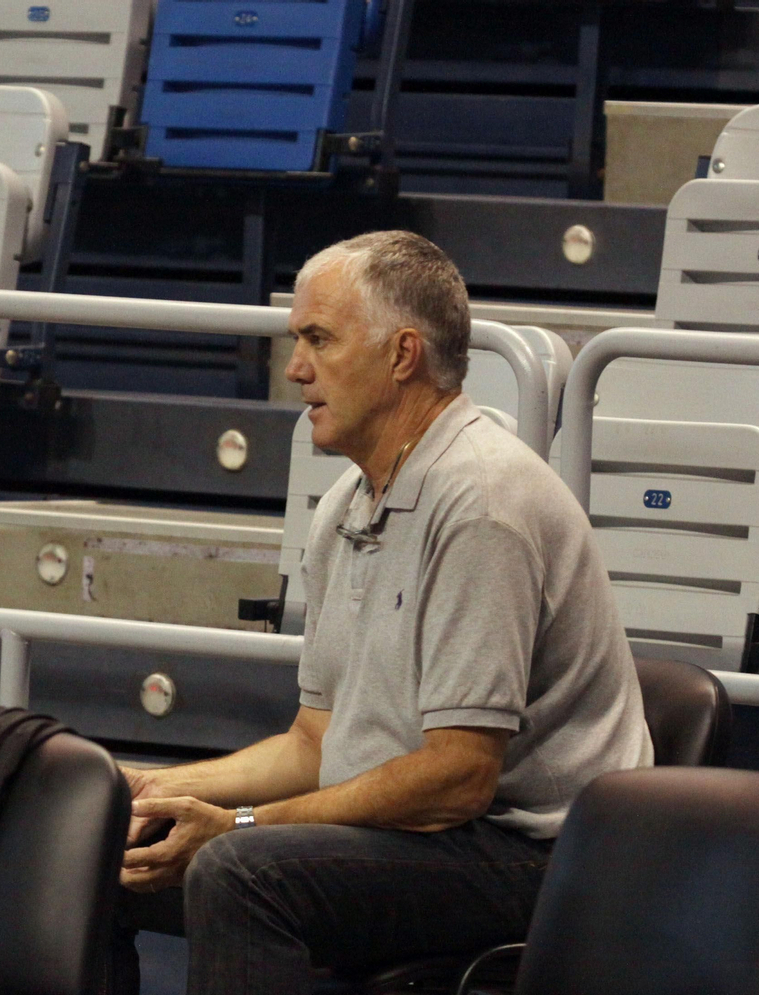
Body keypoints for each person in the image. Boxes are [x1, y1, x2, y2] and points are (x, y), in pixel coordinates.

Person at [114, 231, 653, 995]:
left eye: (319, 340)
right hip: (428, 833)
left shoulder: (482, 504)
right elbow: (313, 743)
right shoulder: (346, 503)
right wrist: (165, 790)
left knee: (243, 871)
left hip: (538, 855)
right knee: (109, 843)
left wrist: (237, 825)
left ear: (403, 355)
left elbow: (459, 777)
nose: (295, 369)